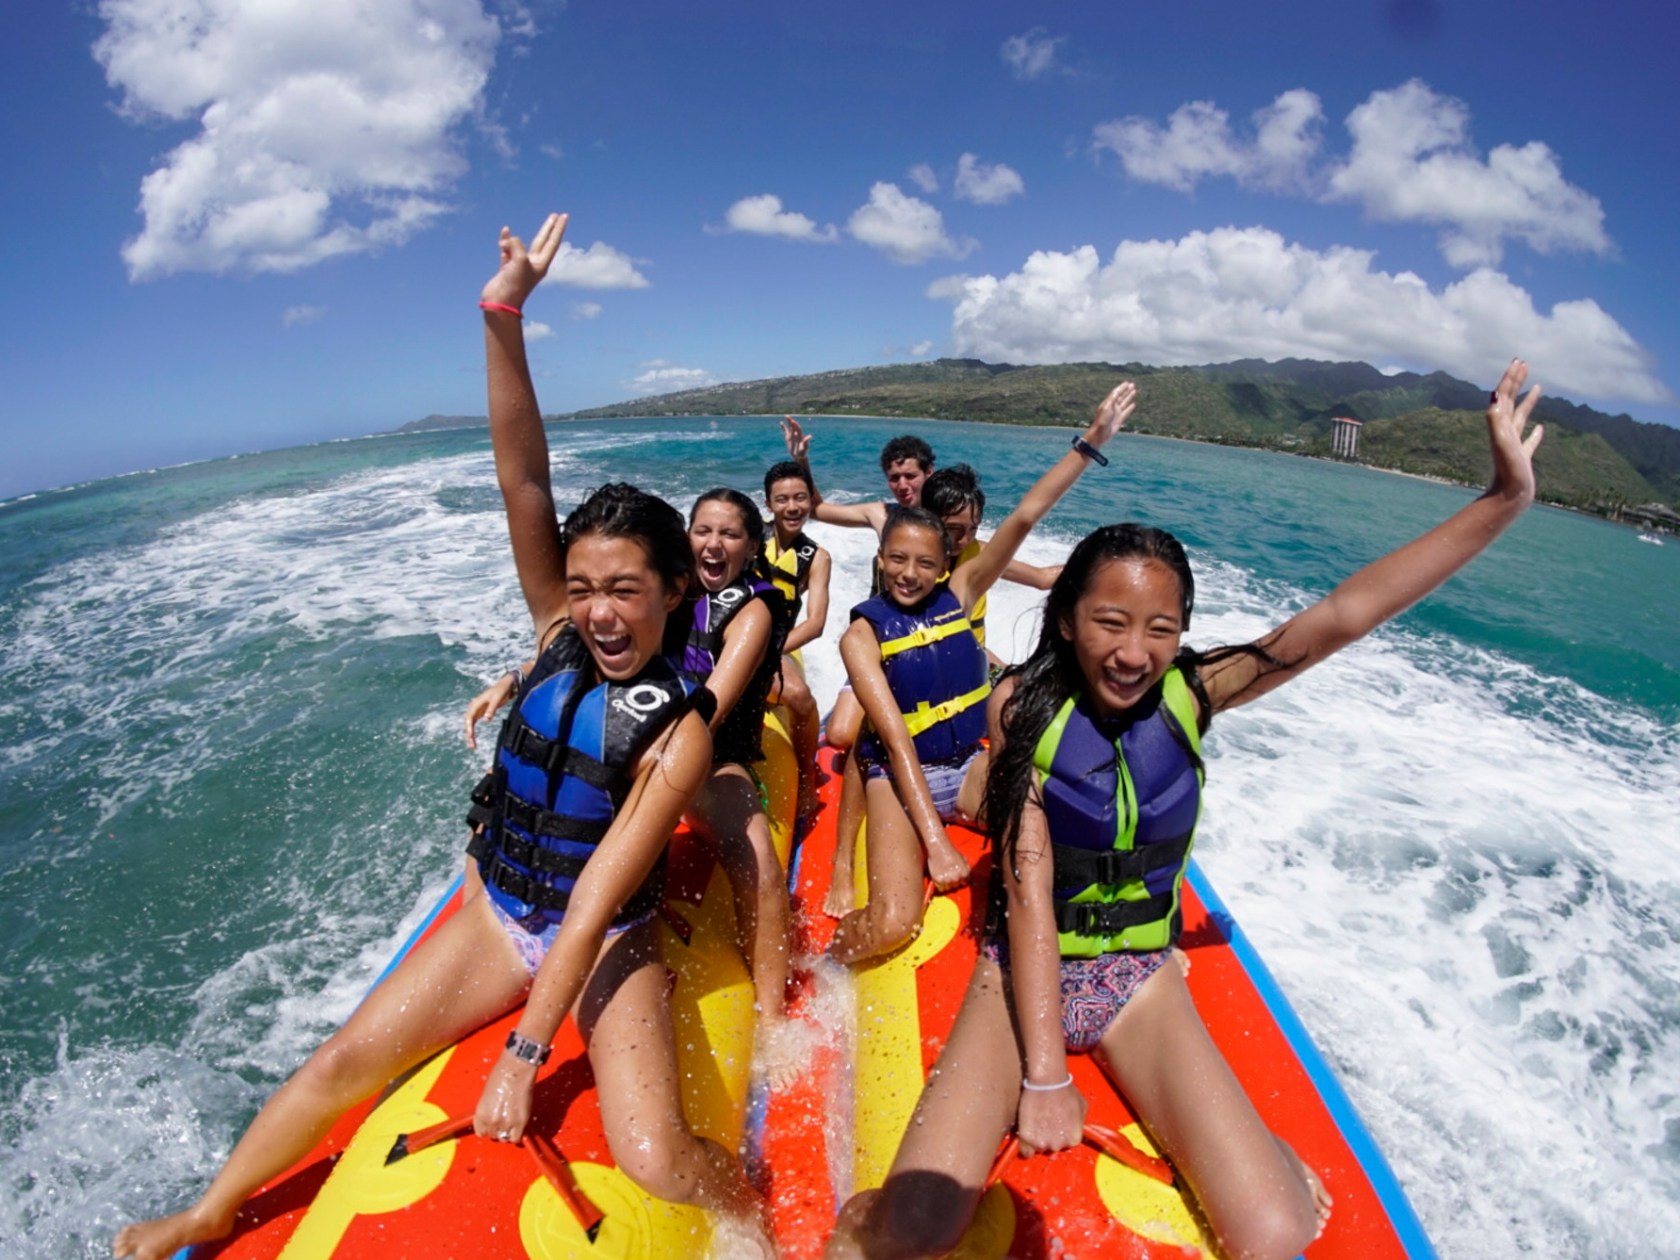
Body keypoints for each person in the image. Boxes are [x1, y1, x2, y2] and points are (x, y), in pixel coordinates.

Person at [113, 213, 761, 1260]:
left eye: (625, 590)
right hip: (502, 910)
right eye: (583, 587)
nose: (599, 613)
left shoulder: (676, 732)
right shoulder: (555, 632)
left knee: (656, 1157)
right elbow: (524, 481)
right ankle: (211, 1209)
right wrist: (502, 315)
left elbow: (598, 897)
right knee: (339, 1062)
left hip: (603, 939)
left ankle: (753, 1208)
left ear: (675, 590)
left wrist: (524, 1053)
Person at [825, 361, 1546, 1260]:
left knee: (1277, 1234)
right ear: (1065, 621)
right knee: (909, 1233)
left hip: (1137, 976)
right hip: (1020, 975)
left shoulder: (1194, 694)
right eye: (1110, 622)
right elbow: (1030, 891)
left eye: (1160, 630)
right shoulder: (1024, 711)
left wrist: (1502, 502)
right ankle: (864, 1209)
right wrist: (1043, 1075)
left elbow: (1344, 613)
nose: (1134, 653)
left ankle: (1250, 1152)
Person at [825, 385, 1136, 966]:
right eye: (897, 560)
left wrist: (1091, 442)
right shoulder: (861, 636)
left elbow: (1025, 516)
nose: (909, 574)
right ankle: (825, 964)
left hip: (968, 766)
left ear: (946, 563)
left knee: (1062, 830)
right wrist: (936, 843)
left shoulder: (963, 591)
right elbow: (894, 741)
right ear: (880, 558)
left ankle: (1120, 929)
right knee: (893, 923)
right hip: (899, 780)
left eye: (925, 562)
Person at [678, 485, 797, 1060]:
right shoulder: (663, 587)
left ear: (752, 547)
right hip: (641, 746)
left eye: (729, 534)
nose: (713, 543)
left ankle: (771, 1018)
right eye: (703, 530)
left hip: (712, 757)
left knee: (761, 866)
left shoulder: (752, 610)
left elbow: (712, 709)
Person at [756, 459, 833, 821]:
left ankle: (805, 778)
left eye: (800, 498)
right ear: (768, 504)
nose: (792, 507)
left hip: (773, 648)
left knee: (800, 697)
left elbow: (815, 624)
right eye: (782, 499)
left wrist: (767, 652)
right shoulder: (747, 538)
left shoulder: (816, 558)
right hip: (729, 642)